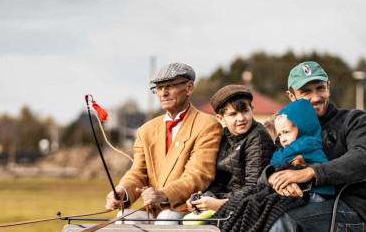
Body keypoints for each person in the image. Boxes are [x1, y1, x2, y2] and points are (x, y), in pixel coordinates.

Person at [229, 61, 366, 232]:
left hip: (349, 212)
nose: (315, 97)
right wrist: (280, 180)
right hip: (303, 206)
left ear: (328, 87)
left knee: (284, 222)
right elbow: (273, 165)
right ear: (292, 95)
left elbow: (363, 159)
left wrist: (309, 173)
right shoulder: (288, 124)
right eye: (306, 92)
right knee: (245, 217)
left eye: (320, 88)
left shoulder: (353, 120)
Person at [105, 62, 222, 223]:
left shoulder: (208, 125)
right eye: (159, 88)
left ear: (189, 88)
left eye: (170, 86)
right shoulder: (145, 130)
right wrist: (122, 191)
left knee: (167, 217)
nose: (163, 93)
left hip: (185, 210)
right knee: (123, 218)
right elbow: (138, 172)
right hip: (152, 212)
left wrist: (163, 194)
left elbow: (198, 175)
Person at [184, 84, 274, 222]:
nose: (241, 118)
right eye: (233, 114)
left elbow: (254, 187)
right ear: (220, 118)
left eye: (245, 111)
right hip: (228, 199)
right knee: (186, 221)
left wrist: (219, 202)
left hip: (247, 206)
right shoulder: (222, 136)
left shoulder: (258, 137)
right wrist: (203, 197)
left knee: (193, 225)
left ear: (252, 109)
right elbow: (220, 179)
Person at [268, 98, 333, 200]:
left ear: (302, 129)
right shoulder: (284, 150)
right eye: (279, 135)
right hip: (296, 192)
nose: (283, 139)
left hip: (313, 193)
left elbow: (278, 162)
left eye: (286, 132)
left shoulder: (307, 145)